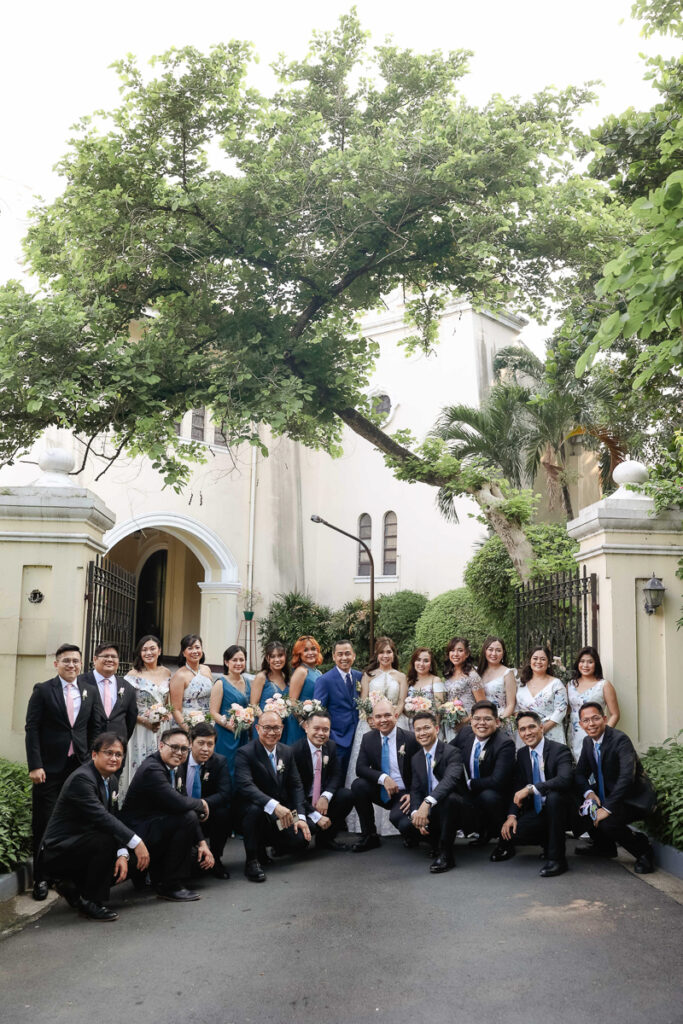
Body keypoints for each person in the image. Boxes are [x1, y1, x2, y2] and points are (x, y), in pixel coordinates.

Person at [40, 733, 150, 922]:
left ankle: (73, 887)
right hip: (58, 852)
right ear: (94, 754)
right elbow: (102, 817)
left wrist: (122, 853)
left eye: (118, 754)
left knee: (130, 860)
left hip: (83, 845)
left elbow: (113, 817)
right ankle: (91, 902)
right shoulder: (82, 779)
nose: (114, 758)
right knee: (105, 840)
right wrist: (136, 842)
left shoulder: (111, 780)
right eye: (108, 753)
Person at [25, 643, 98, 900]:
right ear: (57, 664)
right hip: (49, 768)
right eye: (66, 660)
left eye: (75, 661)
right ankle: (41, 878)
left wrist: (91, 761)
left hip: (79, 766)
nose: (71, 665)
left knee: (77, 820)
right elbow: (32, 728)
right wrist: (35, 765)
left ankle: (68, 874)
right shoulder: (43, 690)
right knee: (45, 821)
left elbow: (94, 728)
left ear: (81, 664)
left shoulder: (89, 691)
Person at [122, 725, 214, 901]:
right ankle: (170, 885)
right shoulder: (152, 769)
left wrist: (202, 843)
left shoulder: (176, 767)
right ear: (161, 745)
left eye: (184, 749)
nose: (179, 753)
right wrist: (202, 803)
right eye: (174, 747)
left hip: (158, 824)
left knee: (200, 863)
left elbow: (184, 802)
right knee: (187, 817)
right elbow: (178, 802)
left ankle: (152, 875)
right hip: (138, 832)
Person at [574, 703, 656, 873]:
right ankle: (604, 847)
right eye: (586, 720)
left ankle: (643, 850)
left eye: (595, 718)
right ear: (581, 724)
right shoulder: (588, 742)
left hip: (632, 798)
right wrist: (589, 794)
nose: (591, 724)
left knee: (607, 821)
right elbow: (580, 773)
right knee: (579, 802)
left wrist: (607, 808)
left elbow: (627, 777)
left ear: (604, 719)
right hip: (607, 793)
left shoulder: (620, 740)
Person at [490, 710, 574, 877]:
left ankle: (557, 860)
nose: (527, 733)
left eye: (531, 727)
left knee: (554, 797)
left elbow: (564, 779)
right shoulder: (522, 754)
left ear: (541, 728)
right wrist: (512, 816)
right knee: (514, 834)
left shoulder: (559, 750)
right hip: (539, 810)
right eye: (522, 729)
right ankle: (547, 842)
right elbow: (517, 786)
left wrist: (532, 789)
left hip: (563, 809)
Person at [234, 710, 311, 882]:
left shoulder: (286, 751)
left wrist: (300, 817)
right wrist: (274, 806)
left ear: (282, 728)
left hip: (280, 812)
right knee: (255, 810)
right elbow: (246, 786)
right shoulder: (245, 753)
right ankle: (252, 860)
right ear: (257, 729)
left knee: (301, 839)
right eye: (267, 728)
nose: (272, 732)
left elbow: (296, 786)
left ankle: (271, 845)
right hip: (252, 810)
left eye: (276, 728)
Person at [345, 637, 410, 836]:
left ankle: (397, 817)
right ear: (377, 654)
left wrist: (393, 716)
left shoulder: (401, 676)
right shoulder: (368, 675)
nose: (385, 655)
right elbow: (363, 700)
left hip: (394, 720)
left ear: (393, 654)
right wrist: (370, 718)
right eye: (381, 652)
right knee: (367, 769)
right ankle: (367, 827)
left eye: (389, 652)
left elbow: (402, 701)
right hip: (370, 723)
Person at [350, 698, 419, 852]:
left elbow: (421, 771)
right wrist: (384, 778)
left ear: (396, 716)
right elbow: (360, 768)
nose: (383, 720)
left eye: (387, 715)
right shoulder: (368, 738)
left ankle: (416, 836)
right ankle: (370, 836)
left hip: (404, 794)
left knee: (401, 822)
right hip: (383, 790)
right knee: (358, 785)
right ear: (372, 720)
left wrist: (414, 794)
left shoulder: (410, 738)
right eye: (378, 717)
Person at [451, 700, 516, 846]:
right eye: (477, 719)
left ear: (497, 722)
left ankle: (503, 839)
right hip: (473, 789)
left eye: (487, 719)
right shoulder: (465, 733)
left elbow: (497, 781)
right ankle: (478, 831)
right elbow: (447, 752)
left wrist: (468, 784)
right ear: (471, 721)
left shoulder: (504, 744)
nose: (482, 723)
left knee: (488, 797)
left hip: (496, 793)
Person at [408, 710, 464, 873]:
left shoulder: (452, 752)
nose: (422, 733)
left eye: (426, 728)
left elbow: (450, 781)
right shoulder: (416, 758)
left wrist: (427, 803)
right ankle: (433, 842)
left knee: (450, 799)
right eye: (418, 730)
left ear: (437, 729)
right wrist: (416, 814)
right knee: (404, 824)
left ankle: (446, 854)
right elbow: (415, 790)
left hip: (456, 808)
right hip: (432, 809)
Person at [291, 711, 353, 850]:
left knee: (346, 795)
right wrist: (315, 815)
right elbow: (293, 791)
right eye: (316, 728)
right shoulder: (295, 751)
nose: (321, 733)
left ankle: (326, 839)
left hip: (319, 799)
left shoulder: (330, 746)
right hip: (296, 805)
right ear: (306, 727)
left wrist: (325, 796)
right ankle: (280, 844)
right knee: (299, 840)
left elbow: (336, 775)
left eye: (325, 730)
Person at [178, 722, 232, 879]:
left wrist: (203, 804)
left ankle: (216, 858)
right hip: (182, 811)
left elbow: (225, 793)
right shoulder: (180, 760)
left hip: (205, 812)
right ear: (190, 742)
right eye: (201, 743)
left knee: (224, 813)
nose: (205, 749)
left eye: (210, 744)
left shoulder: (219, 761)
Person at [120, 635, 172, 797]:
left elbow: (168, 703)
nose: (148, 653)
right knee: (141, 763)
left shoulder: (167, 672)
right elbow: (125, 707)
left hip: (162, 728)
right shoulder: (133, 675)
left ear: (159, 651)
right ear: (139, 653)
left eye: (152, 649)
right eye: (144, 650)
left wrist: (165, 715)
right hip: (141, 727)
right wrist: (145, 721)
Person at [314, 640, 362, 776]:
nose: (344, 658)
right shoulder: (324, 680)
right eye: (340, 654)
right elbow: (319, 712)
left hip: (358, 737)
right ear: (334, 657)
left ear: (354, 655)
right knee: (337, 778)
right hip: (337, 739)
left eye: (347, 654)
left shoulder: (360, 676)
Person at [567, 646, 620, 761]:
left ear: (596, 664)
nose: (585, 665)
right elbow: (565, 710)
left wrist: (604, 734)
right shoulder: (570, 685)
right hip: (575, 735)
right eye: (582, 661)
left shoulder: (604, 685)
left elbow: (615, 714)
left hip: (596, 732)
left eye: (590, 662)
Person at [80, 642, 138, 742]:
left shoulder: (128, 688)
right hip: (87, 744)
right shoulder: (80, 683)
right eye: (106, 656)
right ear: (95, 659)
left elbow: (131, 720)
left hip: (116, 745)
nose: (110, 660)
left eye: (114, 657)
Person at [210, 644, 251, 781]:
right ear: (226, 662)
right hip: (226, 734)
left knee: (242, 768)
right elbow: (213, 712)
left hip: (243, 733)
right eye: (234, 660)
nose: (238, 663)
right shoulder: (220, 683)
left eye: (242, 660)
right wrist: (229, 725)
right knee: (227, 769)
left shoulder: (248, 682)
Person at [515, 646, 568, 747]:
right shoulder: (520, 684)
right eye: (535, 658)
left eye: (543, 659)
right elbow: (515, 708)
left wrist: (541, 729)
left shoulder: (556, 684)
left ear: (548, 663)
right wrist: (526, 727)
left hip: (550, 732)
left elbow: (561, 709)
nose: (538, 662)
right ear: (530, 661)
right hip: (526, 734)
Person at [442, 637, 485, 740]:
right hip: (450, 724)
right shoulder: (448, 674)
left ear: (467, 654)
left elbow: (482, 704)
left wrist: (465, 721)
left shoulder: (472, 675)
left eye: (460, 650)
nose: (455, 654)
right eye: (452, 650)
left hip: (468, 725)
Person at [169, 634, 214, 727]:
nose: (194, 651)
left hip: (207, 721)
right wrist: (188, 729)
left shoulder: (207, 669)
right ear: (183, 653)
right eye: (190, 648)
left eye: (197, 647)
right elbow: (176, 709)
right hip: (188, 722)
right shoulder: (179, 676)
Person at [286, 635, 324, 744]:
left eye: (313, 649)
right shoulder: (301, 671)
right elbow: (292, 702)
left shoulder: (318, 672)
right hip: (301, 725)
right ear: (299, 654)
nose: (310, 653)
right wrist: (302, 722)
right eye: (305, 650)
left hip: (315, 723)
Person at [477, 636, 517, 736]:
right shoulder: (478, 672)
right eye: (490, 649)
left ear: (503, 653)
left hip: (501, 721)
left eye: (498, 650)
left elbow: (511, 704)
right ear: (485, 651)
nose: (494, 654)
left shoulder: (508, 673)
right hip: (480, 723)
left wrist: (498, 722)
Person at [406, 648, 445, 720]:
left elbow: (439, 708)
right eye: (418, 660)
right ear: (414, 662)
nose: (421, 664)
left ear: (431, 664)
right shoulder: (408, 681)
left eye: (426, 661)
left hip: (430, 722)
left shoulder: (436, 680)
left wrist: (436, 724)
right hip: (410, 723)